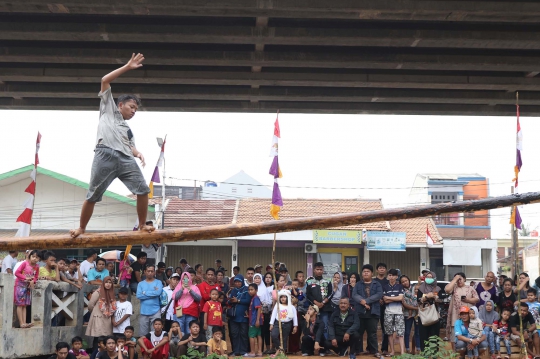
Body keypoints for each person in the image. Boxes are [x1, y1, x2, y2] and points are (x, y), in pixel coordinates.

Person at [69, 53, 155, 239]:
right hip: (105, 155)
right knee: (93, 195)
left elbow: (130, 145)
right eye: (131, 107)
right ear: (120, 105)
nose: (133, 111)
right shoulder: (108, 109)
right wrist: (127, 67)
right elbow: (105, 80)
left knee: (143, 190)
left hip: (125, 158)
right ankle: (82, 228)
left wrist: (138, 152)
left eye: (136, 110)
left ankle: (141, 225)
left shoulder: (127, 128)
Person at [352, 264, 383, 356]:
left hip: (373, 312)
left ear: (372, 273)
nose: (366, 273)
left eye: (368, 272)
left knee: (372, 333)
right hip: (360, 312)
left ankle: (375, 351)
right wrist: (363, 303)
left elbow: (379, 294)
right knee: (358, 332)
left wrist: (366, 301)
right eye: (364, 272)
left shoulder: (377, 284)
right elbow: (354, 295)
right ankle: (356, 350)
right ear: (362, 274)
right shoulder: (358, 284)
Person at [445, 272, 479, 347]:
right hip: (455, 315)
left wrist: (468, 300)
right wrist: (455, 280)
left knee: (469, 334)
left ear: (464, 279)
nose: (459, 281)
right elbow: (447, 290)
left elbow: (477, 299)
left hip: (468, 316)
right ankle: (454, 353)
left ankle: (467, 353)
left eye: (460, 279)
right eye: (457, 279)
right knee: (454, 335)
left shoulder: (470, 288)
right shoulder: (453, 288)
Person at [86, 277, 116, 351]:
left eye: (110, 282)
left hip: (108, 318)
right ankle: (95, 354)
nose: (108, 284)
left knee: (106, 337)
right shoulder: (98, 292)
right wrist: (95, 312)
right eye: (106, 282)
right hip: (98, 317)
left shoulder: (112, 293)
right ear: (103, 283)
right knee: (98, 337)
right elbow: (90, 305)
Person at [14, 249, 40, 328]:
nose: (35, 258)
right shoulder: (24, 264)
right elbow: (17, 273)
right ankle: (21, 323)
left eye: (37, 257)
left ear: (39, 259)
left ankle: (24, 323)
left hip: (27, 287)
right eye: (33, 256)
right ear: (30, 256)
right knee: (20, 305)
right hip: (20, 285)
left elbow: (36, 277)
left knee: (25, 305)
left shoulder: (37, 267)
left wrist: (33, 281)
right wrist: (26, 278)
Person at [382, 268, 405, 356]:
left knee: (400, 333)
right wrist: (396, 298)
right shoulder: (385, 286)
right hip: (388, 312)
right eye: (390, 275)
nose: (391, 277)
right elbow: (385, 300)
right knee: (389, 332)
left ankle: (402, 352)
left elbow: (400, 298)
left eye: (393, 275)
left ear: (396, 276)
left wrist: (389, 298)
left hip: (399, 312)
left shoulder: (400, 286)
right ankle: (392, 351)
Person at [306, 262, 332, 339]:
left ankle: (325, 347)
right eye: (317, 269)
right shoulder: (309, 282)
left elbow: (331, 293)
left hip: (325, 308)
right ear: (314, 270)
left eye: (321, 269)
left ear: (323, 270)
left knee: (325, 326)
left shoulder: (328, 281)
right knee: (313, 326)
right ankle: (314, 345)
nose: (319, 271)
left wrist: (323, 302)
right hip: (314, 309)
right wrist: (316, 303)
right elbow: (308, 295)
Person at [417, 271, 440, 351]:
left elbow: (441, 301)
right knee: (423, 334)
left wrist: (436, 298)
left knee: (434, 334)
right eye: (427, 277)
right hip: (423, 313)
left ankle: (434, 352)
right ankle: (425, 352)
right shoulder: (421, 288)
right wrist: (426, 297)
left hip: (434, 313)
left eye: (431, 277)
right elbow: (418, 301)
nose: (429, 279)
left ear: (434, 278)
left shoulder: (437, 288)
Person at [137, 265, 164, 336]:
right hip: (144, 311)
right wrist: (153, 293)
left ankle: (155, 347)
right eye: (148, 271)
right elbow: (138, 295)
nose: (150, 273)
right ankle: (144, 347)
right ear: (145, 272)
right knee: (143, 334)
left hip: (156, 311)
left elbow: (158, 293)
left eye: (152, 271)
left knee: (156, 333)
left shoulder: (158, 282)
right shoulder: (140, 284)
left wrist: (144, 292)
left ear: (154, 272)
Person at [269, 290, 298, 355]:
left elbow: (295, 317)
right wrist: (271, 324)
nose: (283, 298)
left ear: (287, 298)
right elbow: (273, 314)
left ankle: (283, 352)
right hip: (277, 323)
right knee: (274, 335)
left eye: (285, 297)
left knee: (284, 338)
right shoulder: (278, 305)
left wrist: (295, 326)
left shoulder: (292, 307)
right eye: (281, 297)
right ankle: (279, 348)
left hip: (287, 324)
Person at [228, 274, 251, 356]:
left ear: (242, 282)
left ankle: (244, 351)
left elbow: (248, 300)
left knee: (244, 334)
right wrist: (231, 300)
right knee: (234, 334)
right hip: (234, 317)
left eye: (239, 282)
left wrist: (237, 300)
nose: (237, 284)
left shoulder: (246, 289)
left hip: (244, 316)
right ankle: (236, 351)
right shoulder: (233, 290)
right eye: (236, 282)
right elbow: (229, 301)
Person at [401, 275, 420, 354]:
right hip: (407, 314)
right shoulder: (401, 291)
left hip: (417, 315)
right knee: (407, 332)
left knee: (417, 332)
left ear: (409, 280)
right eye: (402, 282)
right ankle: (407, 348)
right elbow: (404, 304)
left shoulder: (414, 288)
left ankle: (418, 349)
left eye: (406, 280)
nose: (405, 282)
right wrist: (416, 308)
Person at [373, 263, 390, 355]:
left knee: (385, 328)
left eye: (383, 268)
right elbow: (371, 293)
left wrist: (384, 299)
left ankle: (384, 348)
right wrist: (378, 299)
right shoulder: (373, 281)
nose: (382, 269)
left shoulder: (387, 282)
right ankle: (372, 348)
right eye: (380, 268)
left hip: (386, 307)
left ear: (386, 270)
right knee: (372, 328)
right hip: (374, 307)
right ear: (377, 270)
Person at [245, 283, 263, 357]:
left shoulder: (255, 298)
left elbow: (258, 308)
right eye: (249, 290)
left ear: (256, 290)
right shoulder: (254, 298)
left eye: (252, 289)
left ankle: (252, 352)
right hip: (255, 320)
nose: (250, 291)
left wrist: (257, 320)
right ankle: (259, 352)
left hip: (254, 321)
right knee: (258, 335)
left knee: (251, 336)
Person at [262, 272, 275, 354]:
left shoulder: (274, 287)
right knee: (265, 331)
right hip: (263, 312)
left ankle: (273, 348)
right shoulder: (262, 287)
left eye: (270, 277)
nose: (268, 279)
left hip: (271, 311)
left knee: (272, 330)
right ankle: (266, 348)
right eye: (266, 277)